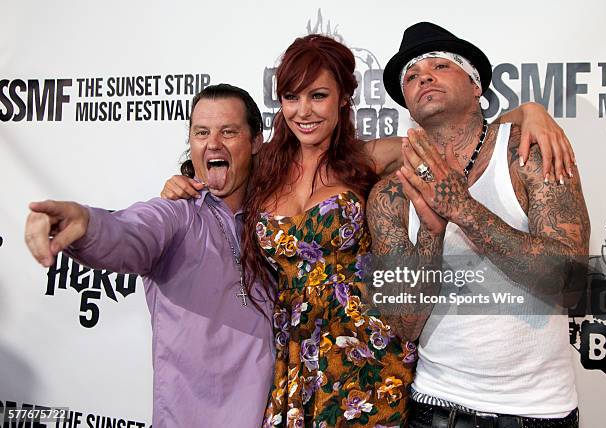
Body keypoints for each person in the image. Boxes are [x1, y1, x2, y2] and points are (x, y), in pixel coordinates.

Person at [161, 36, 578, 427]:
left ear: (343, 99)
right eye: (292, 97)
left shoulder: (369, 157)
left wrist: (528, 113)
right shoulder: (264, 168)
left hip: (368, 351)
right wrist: (176, 185)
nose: (303, 112)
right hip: (294, 354)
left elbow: (463, 136)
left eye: (318, 96)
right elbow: (214, 164)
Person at [367, 22, 589, 427]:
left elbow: (571, 285)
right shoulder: (390, 195)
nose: (424, 77)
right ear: (408, 104)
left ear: (476, 87)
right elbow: (404, 324)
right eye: (412, 76)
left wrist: (464, 210)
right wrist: (430, 234)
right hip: (434, 406)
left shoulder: (529, 153)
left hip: (537, 412)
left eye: (440, 66)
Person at [24, 84, 274, 428]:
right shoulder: (176, 214)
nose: (213, 143)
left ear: (256, 141)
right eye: (201, 132)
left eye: (228, 132)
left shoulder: (276, 221)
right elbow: (129, 233)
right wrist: (85, 222)